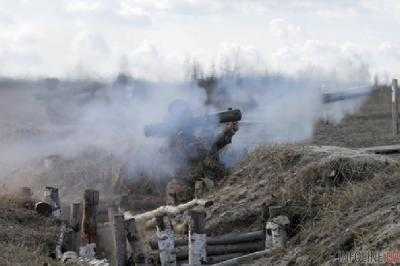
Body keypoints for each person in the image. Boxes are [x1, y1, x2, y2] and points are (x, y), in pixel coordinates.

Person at [165, 99, 239, 205]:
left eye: (187, 112)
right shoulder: (176, 137)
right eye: (182, 113)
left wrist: (229, 132)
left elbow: (214, 146)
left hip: (208, 184)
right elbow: (197, 152)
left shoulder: (192, 132)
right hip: (186, 188)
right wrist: (221, 132)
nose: (188, 115)